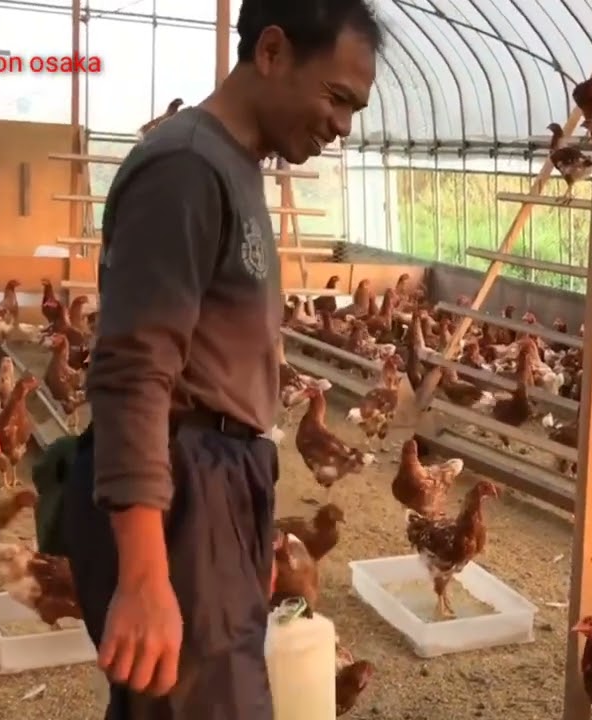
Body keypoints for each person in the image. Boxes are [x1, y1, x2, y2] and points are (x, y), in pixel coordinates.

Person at [61, 0, 380, 717]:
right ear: (270, 51)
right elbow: (135, 369)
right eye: (336, 97)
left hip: (214, 490)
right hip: (181, 493)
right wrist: (146, 576)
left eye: (355, 108)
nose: (343, 125)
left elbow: (216, 370)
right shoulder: (186, 168)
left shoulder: (232, 165)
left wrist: (244, 527)